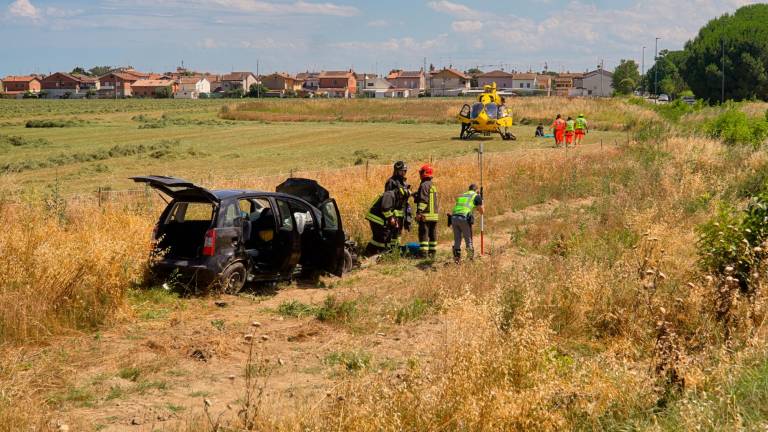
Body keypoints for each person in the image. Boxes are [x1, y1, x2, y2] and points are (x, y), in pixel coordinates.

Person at [365, 187, 410, 255]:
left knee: (378, 237)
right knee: (383, 236)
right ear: (400, 194)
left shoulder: (396, 197)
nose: (402, 200)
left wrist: (395, 220)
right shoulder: (389, 195)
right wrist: (391, 218)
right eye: (402, 197)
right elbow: (385, 208)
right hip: (376, 218)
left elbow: (392, 210)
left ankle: (371, 252)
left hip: (380, 218)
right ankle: (379, 253)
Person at [451, 184, 484, 263]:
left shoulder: (463, 195)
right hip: (464, 218)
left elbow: (469, 206)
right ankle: (469, 259)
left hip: (454, 217)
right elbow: (482, 211)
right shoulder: (476, 196)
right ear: (476, 190)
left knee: (457, 239)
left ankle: (456, 259)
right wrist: (481, 200)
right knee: (468, 240)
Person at [384, 161, 412, 250]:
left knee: (399, 233)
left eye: (405, 171)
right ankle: (391, 252)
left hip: (401, 213)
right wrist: (391, 216)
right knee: (392, 233)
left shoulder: (403, 182)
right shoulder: (391, 182)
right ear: (397, 171)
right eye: (402, 171)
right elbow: (388, 199)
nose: (404, 173)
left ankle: (397, 250)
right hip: (394, 213)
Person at [414, 164, 439, 258]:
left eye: (421, 172)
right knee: (433, 235)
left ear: (424, 173)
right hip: (434, 216)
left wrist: (419, 212)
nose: (419, 174)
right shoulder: (432, 185)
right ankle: (432, 253)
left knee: (423, 234)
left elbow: (424, 200)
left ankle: (423, 254)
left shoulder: (424, 185)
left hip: (425, 215)